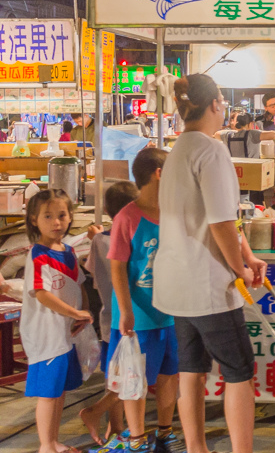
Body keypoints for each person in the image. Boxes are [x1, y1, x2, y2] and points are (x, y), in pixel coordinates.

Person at [153, 73, 267, 453]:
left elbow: (219, 218)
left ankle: (196, 448)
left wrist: (246, 253)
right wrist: (241, 269)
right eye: (222, 100)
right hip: (208, 284)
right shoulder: (211, 150)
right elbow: (219, 223)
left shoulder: (177, 150)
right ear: (216, 104)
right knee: (238, 370)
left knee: (192, 368)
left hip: (177, 285)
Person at [109, 148, 186, 453]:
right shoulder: (127, 217)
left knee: (170, 375)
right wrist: (125, 311)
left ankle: (165, 432)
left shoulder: (174, 211)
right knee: (135, 380)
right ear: (159, 173)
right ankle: (137, 438)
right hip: (138, 318)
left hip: (171, 313)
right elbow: (117, 266)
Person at [21, 189, 94, 453]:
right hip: (47, 337)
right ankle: (45, 445)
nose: (56, 222)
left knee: (60, 392)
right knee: (49, 394)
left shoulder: (69, 251)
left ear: (70, 216)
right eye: (48, 216)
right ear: (33, 220)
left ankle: (53, 441)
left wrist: (83, 312)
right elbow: (42, 294)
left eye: (61, 215)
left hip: (66, 335)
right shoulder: (38, 255)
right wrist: (75, 313)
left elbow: (80, 285)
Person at [80, 181, 139, 449]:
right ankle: (98, 413)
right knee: (133, 372)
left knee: (114, 374)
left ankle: (117, 427)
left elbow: (92, 273)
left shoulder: (99, 241)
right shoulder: (133, 238)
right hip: (131, 318)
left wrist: (97, 235)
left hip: (108, 318)